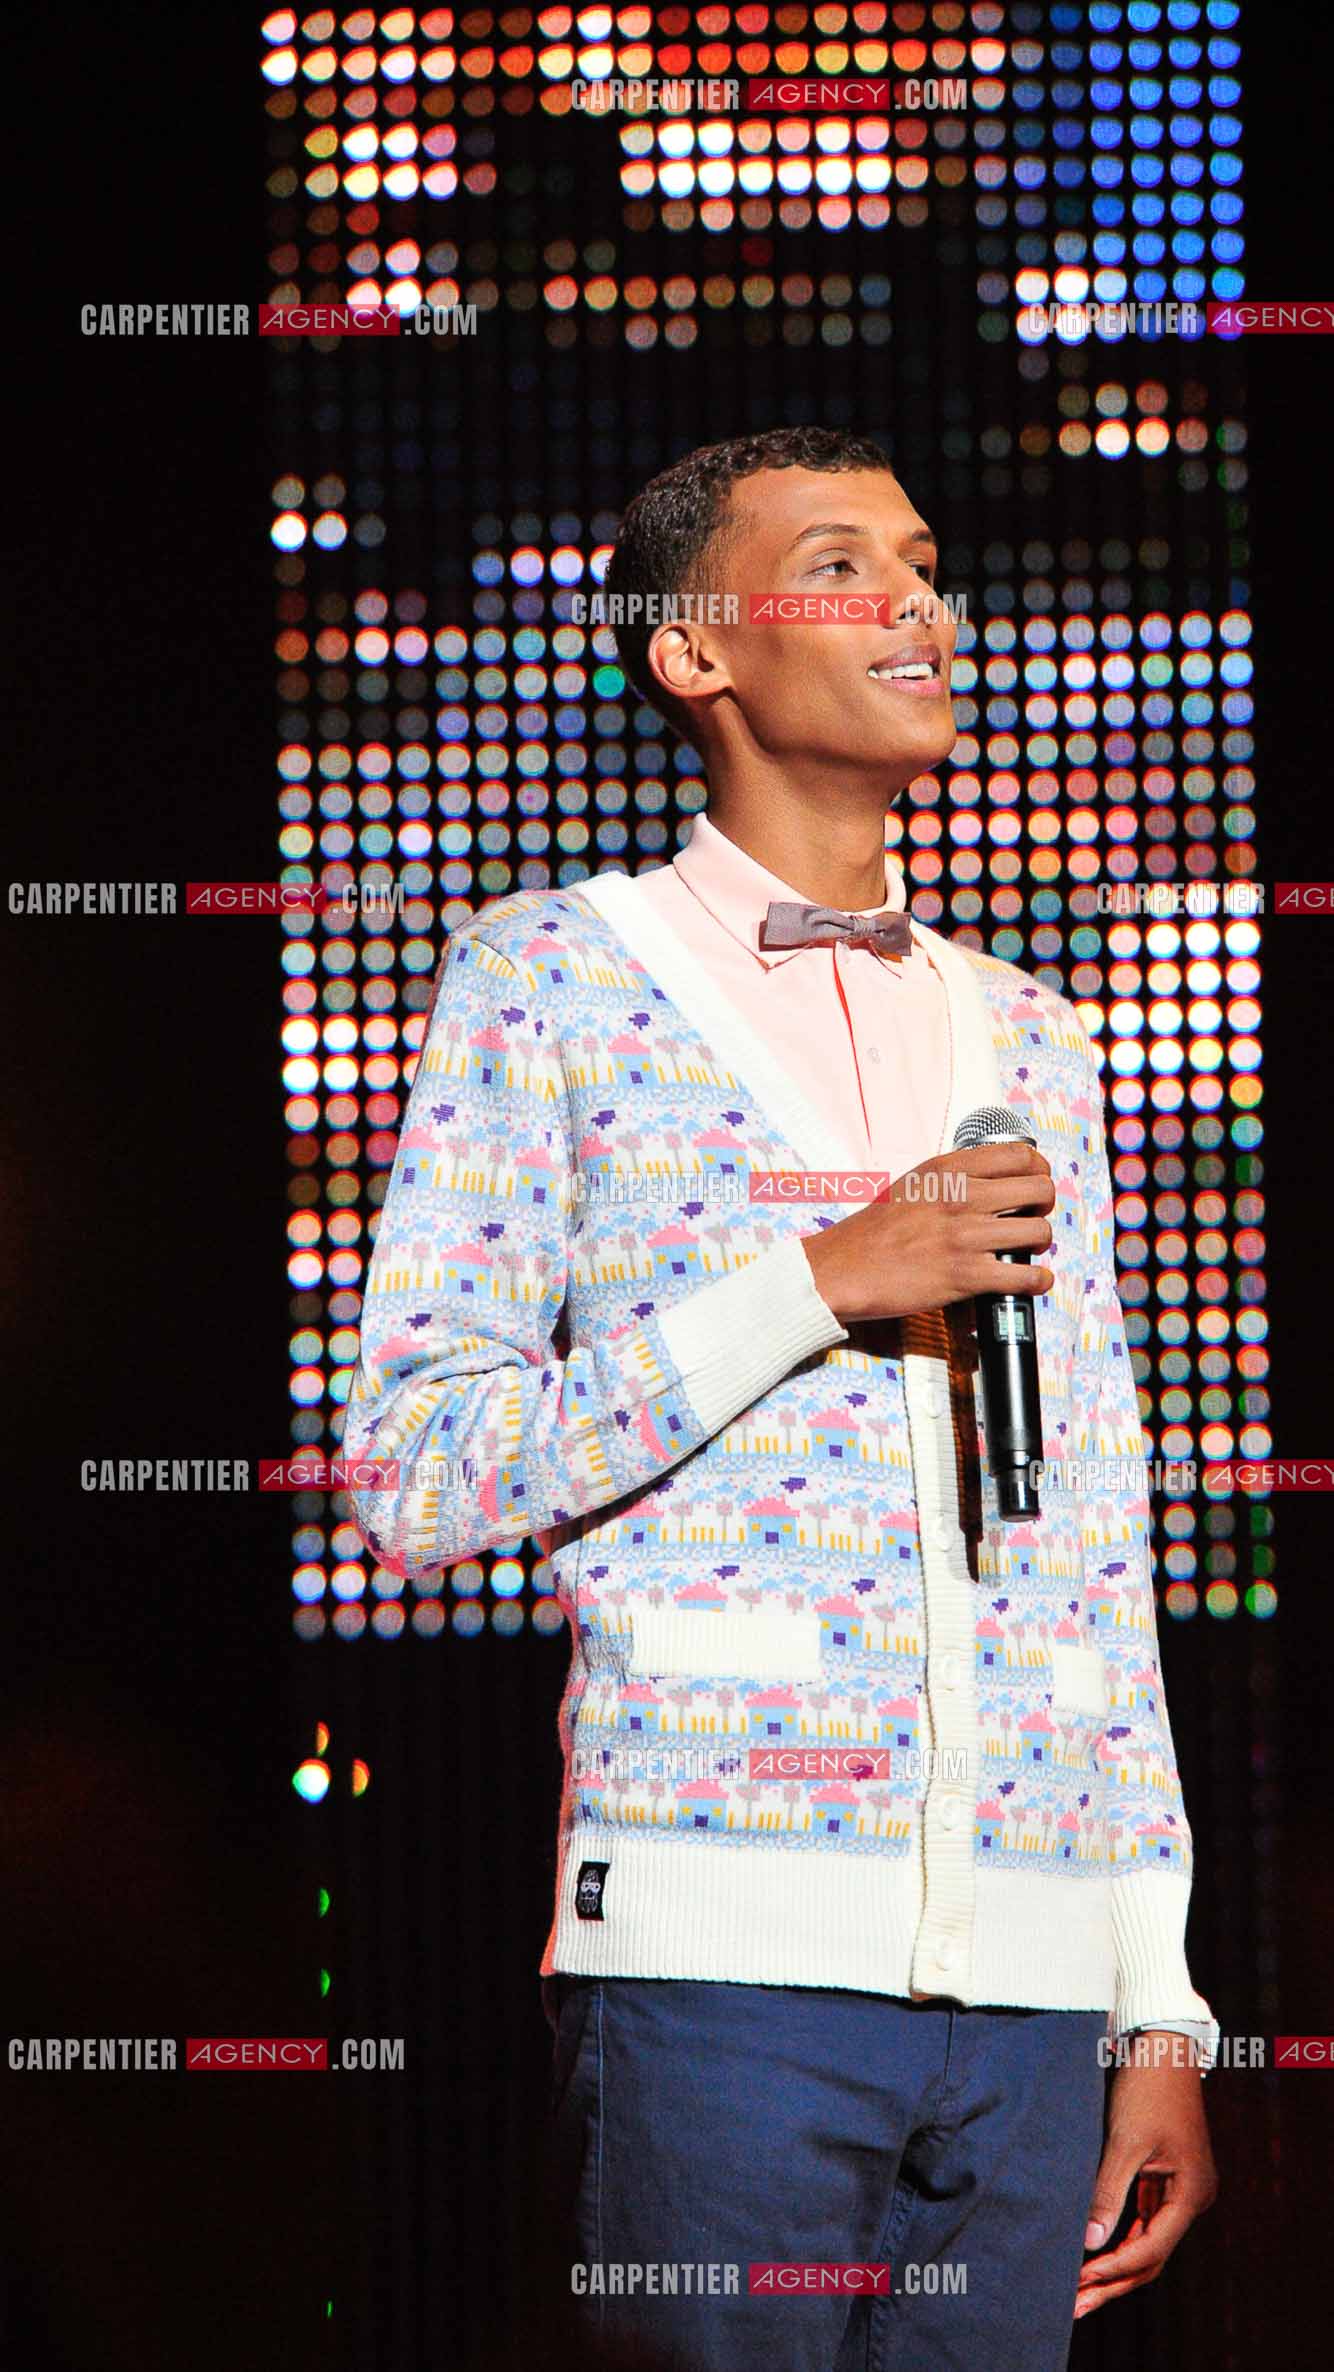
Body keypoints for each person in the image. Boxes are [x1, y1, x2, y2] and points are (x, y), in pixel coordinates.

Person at [343, 426, 1219, 2371]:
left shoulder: (1040, 1034)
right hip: (718, 1971)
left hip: (1034, 1984)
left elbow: (1091, 1539)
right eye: (846, 562)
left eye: (925, 560)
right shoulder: (547, 979)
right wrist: (818, 1284)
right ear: (697, 654)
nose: (920, 600)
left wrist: (1152, 1995)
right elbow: (418, 1470)